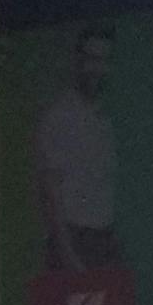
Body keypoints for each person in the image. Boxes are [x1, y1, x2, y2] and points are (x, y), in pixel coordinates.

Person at [35, 23, 122, 270]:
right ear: (78, 61)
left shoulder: (103, 120)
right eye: (91, 59)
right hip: (73, 244)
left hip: (104, 241)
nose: (97, 69)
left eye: (104, 61)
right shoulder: (59, 116)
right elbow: (50, 194)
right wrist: (69, 258)